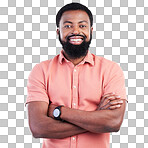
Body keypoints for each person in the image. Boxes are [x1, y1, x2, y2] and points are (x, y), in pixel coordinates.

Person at [26, 2, 127, 148]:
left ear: (91, 30)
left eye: (82, 25)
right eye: (67, 26)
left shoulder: (111, 69)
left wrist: (59, 111)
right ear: (58, 32)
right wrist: (96, 119)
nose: (75, 31)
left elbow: (113, 122)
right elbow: (38, 127)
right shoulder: (40, 70)